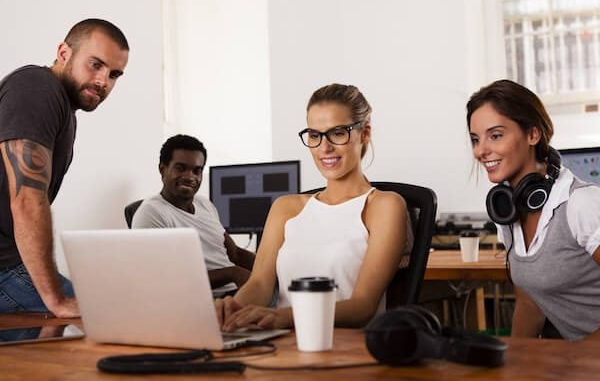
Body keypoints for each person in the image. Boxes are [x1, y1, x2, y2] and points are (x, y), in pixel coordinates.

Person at [216, 83, 413, 331]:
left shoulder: (384, 206)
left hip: (346, 350)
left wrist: (286, 317)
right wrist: (232, 311)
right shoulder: (285, 208)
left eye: (338, 132)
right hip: (279, 344)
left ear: (364, 134)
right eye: (314, 135)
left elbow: (363, 306)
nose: (324, 147)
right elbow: (259, 285)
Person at [0, 19, 129, 318]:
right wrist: (55, 299)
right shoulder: (36, 89)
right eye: (95, 64)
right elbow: (28, 201)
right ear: (63, 53)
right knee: (113, 319)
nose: (103, 81)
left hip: (10, 263)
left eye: (114, 74)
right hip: (4, 268)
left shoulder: (61, 106)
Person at [467, 79, 600, 341]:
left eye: (495, 135)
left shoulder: (581, 203)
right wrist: (514, 365)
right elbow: (530, 305)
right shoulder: (508, 211)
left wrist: (578, 358)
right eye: (475, 139)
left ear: (532, 135)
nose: (481, 150)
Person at [132, 134, 255, 297]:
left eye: (197, 170)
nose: (190, 177)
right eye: (181, 168)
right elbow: (164, 279)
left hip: (238, 291)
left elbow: (235, 254)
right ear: (163, 169)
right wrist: (231, 273)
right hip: (205, 299)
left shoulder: (205, 204)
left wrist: (272, 266)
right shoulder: (151, 213)